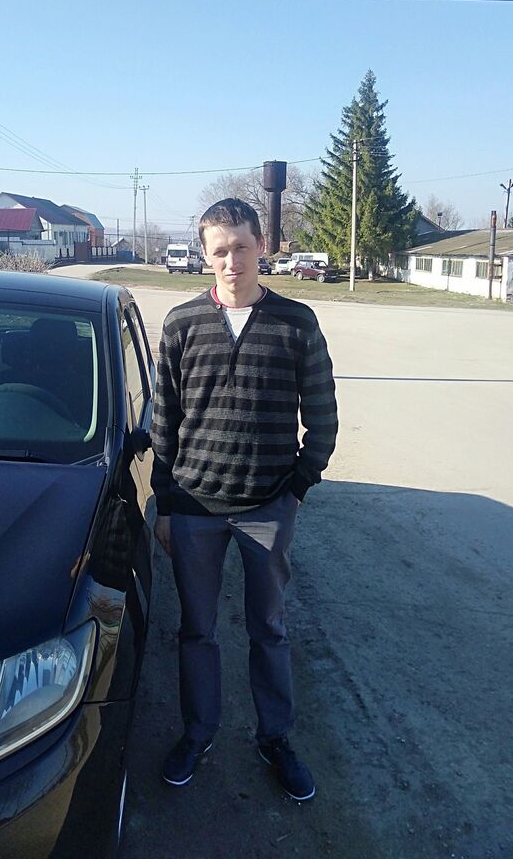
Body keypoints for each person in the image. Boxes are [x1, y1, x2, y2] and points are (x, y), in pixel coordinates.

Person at [150, 198, 338, 801]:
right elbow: (164, 422)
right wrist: (165, 502)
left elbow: (324, 418)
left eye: (241, 247)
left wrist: (297, 489)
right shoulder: (181, 324)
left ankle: (275, 738)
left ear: (263, 247)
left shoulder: (296, 323)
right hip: (194, 509)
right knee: (196, 630)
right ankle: (198, 733)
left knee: (269, 629)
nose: (231, 261)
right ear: (206, 256)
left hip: (266, 509)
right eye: (220, 251)